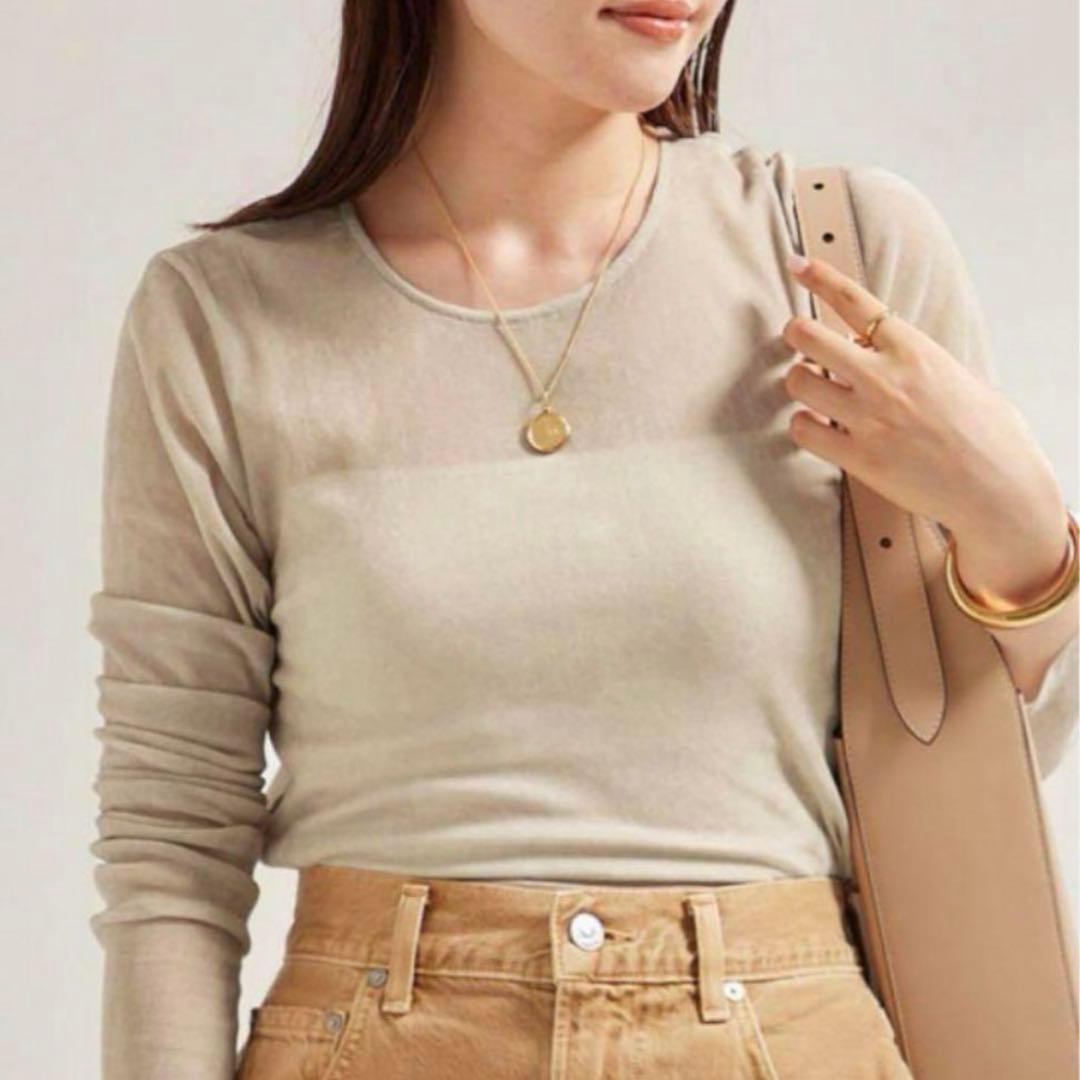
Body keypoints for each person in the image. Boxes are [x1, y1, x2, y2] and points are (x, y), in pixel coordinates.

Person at [86, 1, 1079, 1077]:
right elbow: (173, 841)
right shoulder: (227, 317)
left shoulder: (839, 256)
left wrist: (1021, 521)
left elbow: (982, 770)